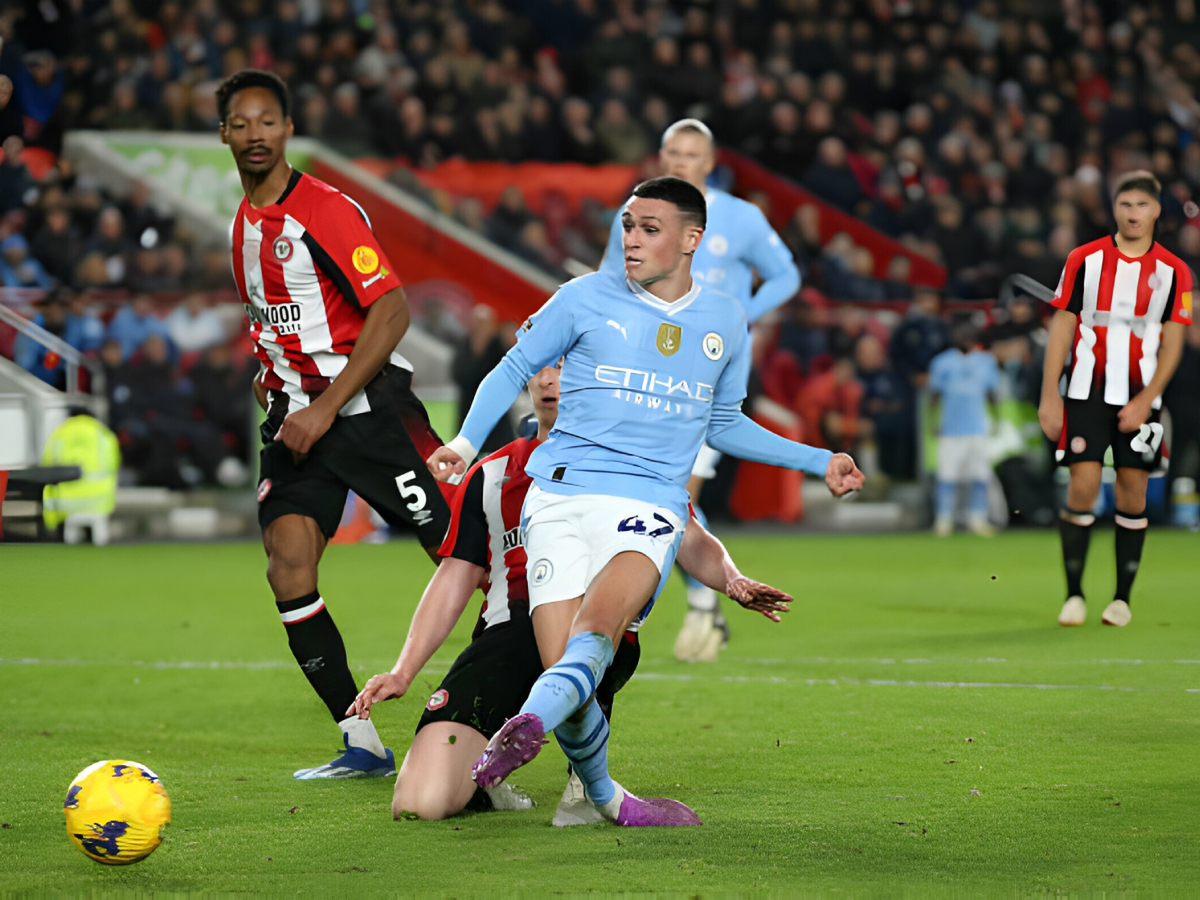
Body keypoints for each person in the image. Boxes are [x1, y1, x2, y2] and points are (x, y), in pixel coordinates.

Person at [428, 176, 862, 826]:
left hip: (648, 505)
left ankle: (522, 730)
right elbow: (514, 367)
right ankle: (604, 799)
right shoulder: (582, 298)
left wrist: (816, 460)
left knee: (596, 633)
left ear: (692, 239)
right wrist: (463, 443)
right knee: (571, 672)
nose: (631, 238)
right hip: (556, 499)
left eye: (649, 228)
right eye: (627, 225)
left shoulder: (722, 319)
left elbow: (726, 422)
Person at [349, 364, 792, 823]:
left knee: (582, 641)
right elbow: (454, 577)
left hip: (592, 624)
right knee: (420, 803)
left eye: (562, 367)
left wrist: (732, 579)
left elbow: (689, 536)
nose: (547, 380)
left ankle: (589, 784)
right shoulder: (494, 473)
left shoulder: (634, 464)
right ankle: (491, 778)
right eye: (538, 370)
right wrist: (403, 671)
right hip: (507, 630)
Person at [218, 69, 452, 778]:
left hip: (367, 416)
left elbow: (392, 311)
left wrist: (324, 406)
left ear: (288, 130)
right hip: (295, 429)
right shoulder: (242, 223)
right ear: (224, 134)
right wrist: (282, 396)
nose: (255, 134)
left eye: (267, 121)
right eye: (241, 123)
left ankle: (523, 714)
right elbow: (275, 327)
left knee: (466, 559)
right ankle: (360, 741)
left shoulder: (324, 210)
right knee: (288, 567)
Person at [601, 119, 801, 663]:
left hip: (708, 374)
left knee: (670, 490)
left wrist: (742, 317)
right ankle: (697, 600)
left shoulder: (740, 218)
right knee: (660, 491)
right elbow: (609, 281)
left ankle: (665, 608)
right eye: (673, 151)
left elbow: (786, 276)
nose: (681, 161)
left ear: (709, 162)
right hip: (647, 370)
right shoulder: (639, 211)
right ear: (661, 155)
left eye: (692, 154)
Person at [1038, 171, 1192, 628]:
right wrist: (1050, 395)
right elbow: (1062, 327)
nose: (1132, 213)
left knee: (1133, 492)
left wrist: (1148, 399)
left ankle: (1121, 598)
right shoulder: (1084, 260)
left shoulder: (1174, 271)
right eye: (1125, 205)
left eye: (1141, 205)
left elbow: (1173, 343)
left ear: (1157, 210)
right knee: (1082, 486)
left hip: (1141, 397)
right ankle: (1074, 595)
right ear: (1114, 209)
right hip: (1086, 392)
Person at [928, 322, 1000, 536]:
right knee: (946, 475)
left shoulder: (986, 362)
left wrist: (995, 418)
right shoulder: (941, 362)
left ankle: (978, 518)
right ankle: (943, 519)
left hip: (977, 426)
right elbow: (934, 394)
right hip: (951, 428)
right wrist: (933, 420)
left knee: (981, 475)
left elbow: (991, 392)